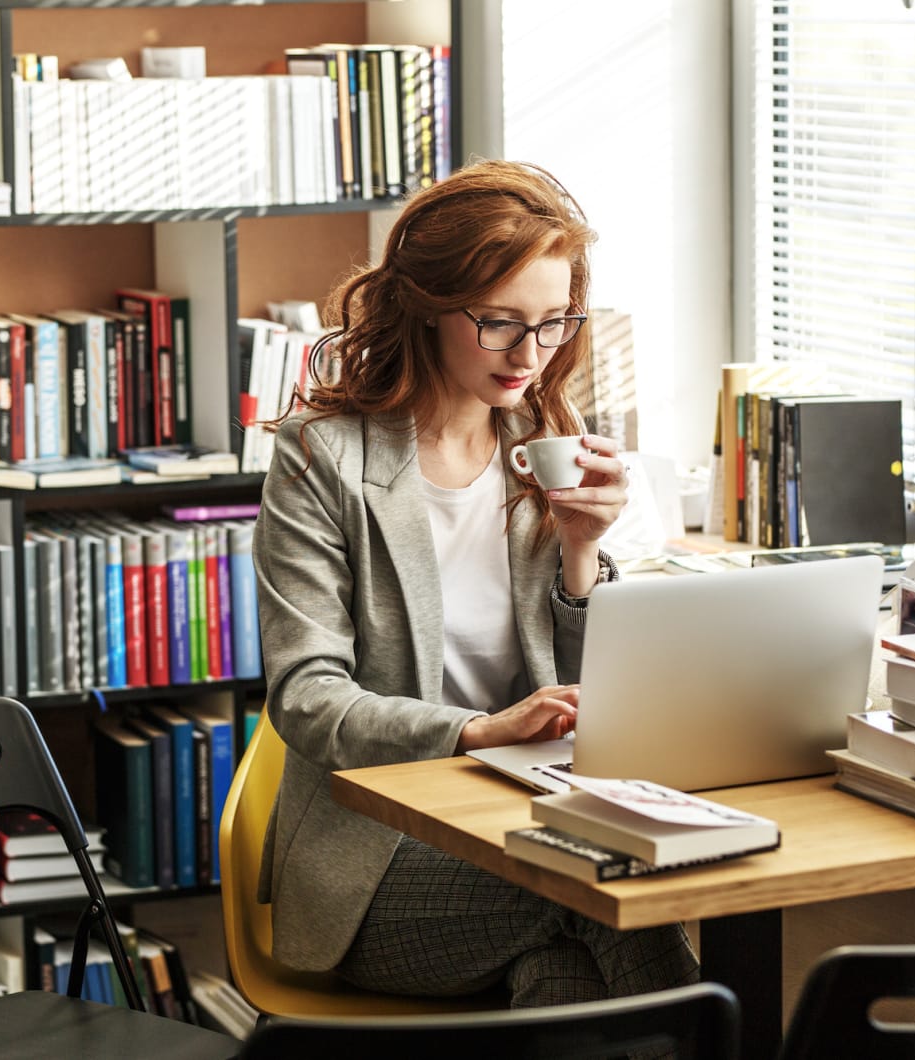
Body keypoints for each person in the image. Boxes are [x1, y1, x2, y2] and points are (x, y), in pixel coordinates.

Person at [251, 159, 699, 1008]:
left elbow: (592, 688)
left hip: (526, 818)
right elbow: (308, 700)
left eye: (556, 323)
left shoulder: (542, 438)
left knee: (563, 988)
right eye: (499, 324)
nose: (531, 354)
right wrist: (480, 730)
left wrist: (581, 549)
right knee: (603, 889)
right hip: (378, 856)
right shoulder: (323, 457)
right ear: (426, 305)